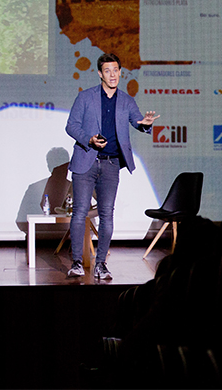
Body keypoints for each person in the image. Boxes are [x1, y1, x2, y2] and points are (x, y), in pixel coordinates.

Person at [65, 53, 159, 279]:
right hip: (86, 161)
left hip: (110, 164)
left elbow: (137, 121)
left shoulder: (126, 100)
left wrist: (145, 124)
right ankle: (77, 262)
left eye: (116, 70)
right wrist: (89, 139)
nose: (113, 75)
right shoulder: (85, 97)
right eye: (108, 71)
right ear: (100, 74)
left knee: (107, 214)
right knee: (80, 213)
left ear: (120, 72)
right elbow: (71, 126)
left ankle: (101, 264)